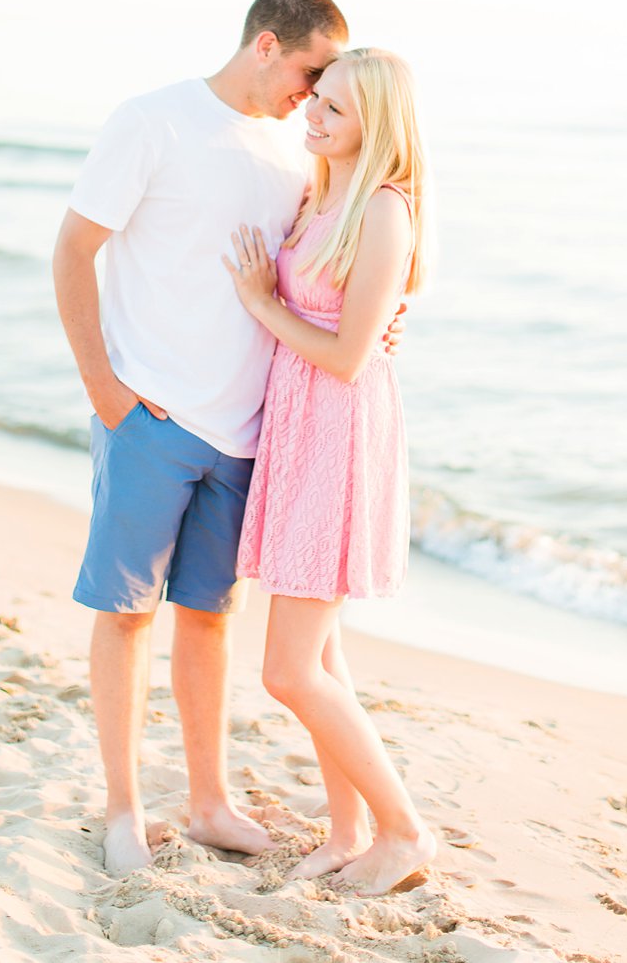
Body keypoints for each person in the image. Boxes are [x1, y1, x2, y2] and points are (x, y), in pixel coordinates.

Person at [54, 0, 405, 875]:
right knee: (127, 615)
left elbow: (331, 271)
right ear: (265, 44)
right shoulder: (155, 121)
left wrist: (380, 318)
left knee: (208, 618)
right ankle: (126, 811)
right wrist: (104, 387)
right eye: (310, 71)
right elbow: (73, 248)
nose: (315, 95)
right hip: (152, 415)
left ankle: (207, 801)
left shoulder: (301, 159)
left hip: (254, 435)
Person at [225, 46, 435, 894]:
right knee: (325, 652)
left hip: (339, 432)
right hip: (300, 425)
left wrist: (261, 304)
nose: (314, 115)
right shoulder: (320, 189)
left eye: (337, 110)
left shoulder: (383, 210)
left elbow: (351, 357)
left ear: (374, 126)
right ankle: (350, 825)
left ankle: (406, 829)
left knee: (288, 669)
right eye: (318, 98)